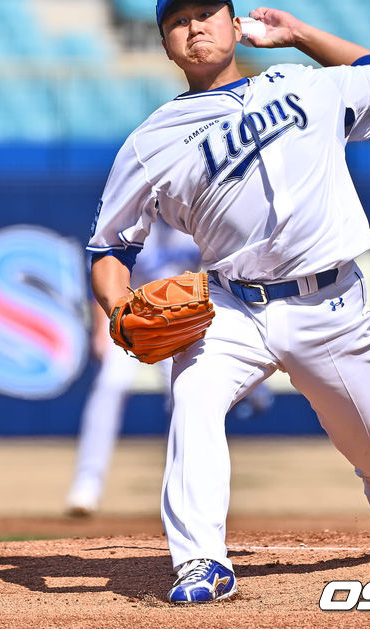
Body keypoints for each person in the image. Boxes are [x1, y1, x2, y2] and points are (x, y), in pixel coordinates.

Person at [86, 0, 370, 603]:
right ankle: (201, 563)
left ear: (233, 20)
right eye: (178, 21)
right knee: (191, 398)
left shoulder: (305, 86)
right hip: (230, 306)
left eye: (206, 12)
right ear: (165, 45)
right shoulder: (151, 141)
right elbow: (110, 247)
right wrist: (117, 306)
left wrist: (298, 34)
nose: (195, 26)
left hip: (328, 304)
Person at [67, 217, 273, 515]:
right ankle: (86, 486)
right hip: (129, 319)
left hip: (177, 325)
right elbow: (102, 267)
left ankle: (183, 494)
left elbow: (222, 277)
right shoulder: (132, 216)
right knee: (111, 385)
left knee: (184, 396)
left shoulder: (196, 216)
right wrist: (102, 326)